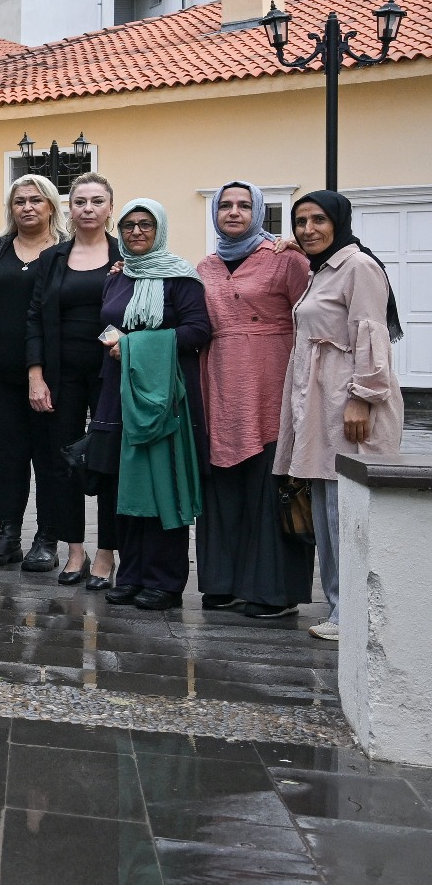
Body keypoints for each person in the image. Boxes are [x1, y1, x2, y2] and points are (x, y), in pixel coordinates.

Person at [275, 190, 406, 643]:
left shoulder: (359, 268)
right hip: (319, 406)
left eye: (318, 220)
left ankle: (354, 610)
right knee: (327, 511)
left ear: (340, 222)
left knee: (346, 511)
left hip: (346, 407)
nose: (307, 229)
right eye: (299, 221)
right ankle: (340, 606)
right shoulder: (324, 270)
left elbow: (371, 335)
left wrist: (363, 398)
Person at [196, 181, 312, 618]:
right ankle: (223, 583)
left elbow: (315, 315)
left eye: (244, 205)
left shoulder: (286, 259)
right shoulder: (205, 267)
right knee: (223, 485)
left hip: (273, 383)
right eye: (225, 205)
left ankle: (273, 592)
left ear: (259, 212)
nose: (234, 212)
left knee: (270, 484)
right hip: (219, 385)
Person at [91, 199, 210, 610]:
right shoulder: (119, 275)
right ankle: (132, 574)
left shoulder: (181, 277)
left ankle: (165, 580)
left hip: (163, 396)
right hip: (118, 393)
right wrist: (115, 339)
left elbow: (197, 331)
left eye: (145, 225)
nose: (136, 232)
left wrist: (134, 345)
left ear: (159, 229)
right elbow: (108, 323)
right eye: (128, 226)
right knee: (126, 485)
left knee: (162, 484)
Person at [0, 175, 64, 571]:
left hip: (51, 376)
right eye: (19, 200)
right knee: (7, 458)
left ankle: (47, 539)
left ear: (52, 206)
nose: (27, 207)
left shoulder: (66, 251)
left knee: (49, 458)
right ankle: (8, 536)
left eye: (36, 200)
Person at [25, 173, 120, 587]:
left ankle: (106, 554)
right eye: (80, 201)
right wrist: (36, 374)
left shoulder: (126, 256)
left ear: (109, 208)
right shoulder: (53, 259)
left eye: (97, 201)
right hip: (61, 376)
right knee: (62, 461)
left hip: (112, 374)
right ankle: (75, 550)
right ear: (69, 208)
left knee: (109, 463)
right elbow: (34, 318)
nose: (87, 208)